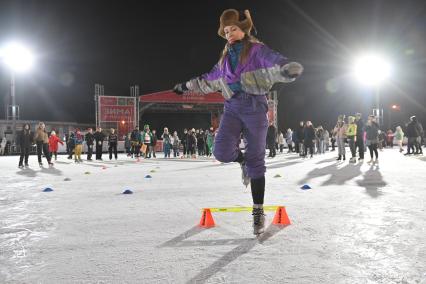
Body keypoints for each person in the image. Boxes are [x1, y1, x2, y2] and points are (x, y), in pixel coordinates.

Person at [172, 9, 303, 235]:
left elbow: (273, 60)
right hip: (232, 108)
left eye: (233, 29)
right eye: (226, 31)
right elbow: (208, 80)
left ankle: (258, 211)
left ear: (243, 29)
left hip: (255, 106)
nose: (229, 34)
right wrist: (185, 86)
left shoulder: (256, 50)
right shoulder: (224, 60)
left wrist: (286, 68)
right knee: (221, 151)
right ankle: (242, 161)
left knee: (257, 162)